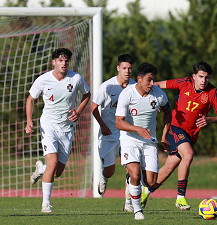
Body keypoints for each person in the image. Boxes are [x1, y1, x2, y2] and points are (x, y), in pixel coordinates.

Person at [141, 61, 217, 210]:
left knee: (169, 167)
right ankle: (180, 197)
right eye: (201, 77)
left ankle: (146, 190)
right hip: (176, 127)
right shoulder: (184, 83)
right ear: (194, 76)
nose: (203, 81)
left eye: (207, 78)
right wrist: (156, 100)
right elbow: (157, 85)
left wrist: (209, 119)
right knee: (188, 154)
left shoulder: (212, 92)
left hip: (191, 134)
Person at [26, 48, 91, 213]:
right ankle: (45, 204)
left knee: (57, 172)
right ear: (53, 62)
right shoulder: (43, 80)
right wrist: (28, 121)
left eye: (66, 60)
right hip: (48, 125)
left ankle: (40, 169)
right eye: (60, 60)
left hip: (67, 129)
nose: (64, 63)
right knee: (53, 163)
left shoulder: (75, 78)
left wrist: (78, 111)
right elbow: (31, 99)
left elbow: (87, 95)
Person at [115, 62, 171, 220]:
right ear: (139, 79)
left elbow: (168, 112)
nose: (152, 83)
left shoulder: (159, 94)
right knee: (135, 175)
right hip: (129, 139)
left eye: (154, 80)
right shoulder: (127, 94)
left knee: (150, 182)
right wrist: (137, 129)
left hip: (149, 141)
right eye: (149, 80)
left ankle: (131, 182)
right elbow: (118, 122)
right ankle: (137, 210)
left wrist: (164, 136)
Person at [91, 54, 136, 211]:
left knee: (132, 168)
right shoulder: (107, 86)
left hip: (127, 134)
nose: (127, 71)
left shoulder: (135, 87)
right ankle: (104, 177)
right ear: (118, 68)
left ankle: (128, 203)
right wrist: (102, 125)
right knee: (110, 170)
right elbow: (93, 107)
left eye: (130, 68)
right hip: (109, 134)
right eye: (124, 68)